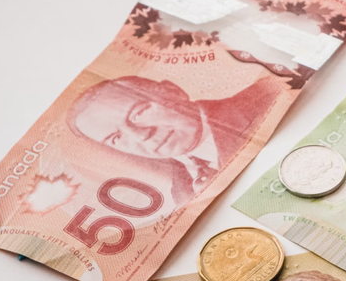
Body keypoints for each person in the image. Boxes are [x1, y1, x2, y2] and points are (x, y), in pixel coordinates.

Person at [67, 75, 280, 204]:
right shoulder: (181, 195)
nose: (141, 135)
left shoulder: (271, 95)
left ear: (173, 91)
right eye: (116, 137)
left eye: (138, 113)